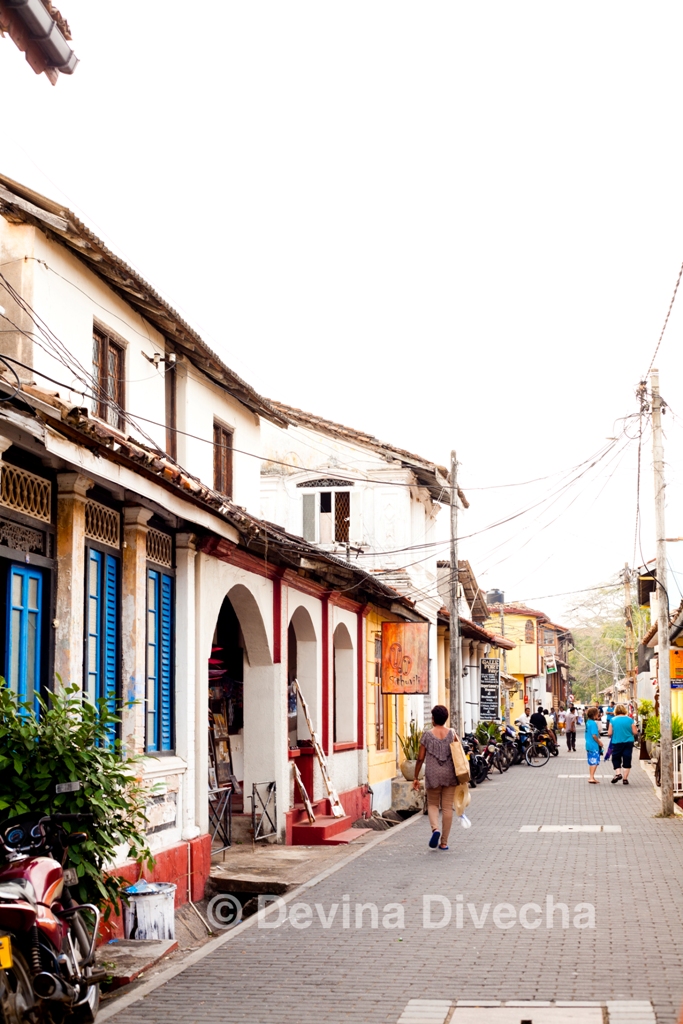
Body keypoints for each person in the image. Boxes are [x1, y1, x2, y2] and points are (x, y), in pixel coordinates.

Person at [412, 705, 459, 851]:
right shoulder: (452, 734)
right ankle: (444, 842)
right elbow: (458, 754)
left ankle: (435, 830)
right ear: (445, 719)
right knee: (447, 808)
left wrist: (415, 777)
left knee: (432, 804)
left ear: (433, 719)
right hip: (449, 774)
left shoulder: (427, 735)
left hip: (432, 774)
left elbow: (420, 759)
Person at [608, 702, 638, 785]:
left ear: (616, 711)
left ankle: (618, 774)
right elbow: (635, 732)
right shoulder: (630, 719)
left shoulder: (613, 720)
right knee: (627, 758)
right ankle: (625, 779)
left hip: (617, 742)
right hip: (628, 742)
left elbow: (609, 733)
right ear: (624, 710)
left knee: (616, 758)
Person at [585, 706, 603, 783]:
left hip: (588, 744)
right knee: (594, 761)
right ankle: (591, 777)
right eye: (597, 713)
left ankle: (591, 776)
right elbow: (594, 735)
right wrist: (599, 742)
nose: (598, 715)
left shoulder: (588, 722)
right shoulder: (593, 723)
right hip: (593, 745)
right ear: (594, 714)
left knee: (591, 761)